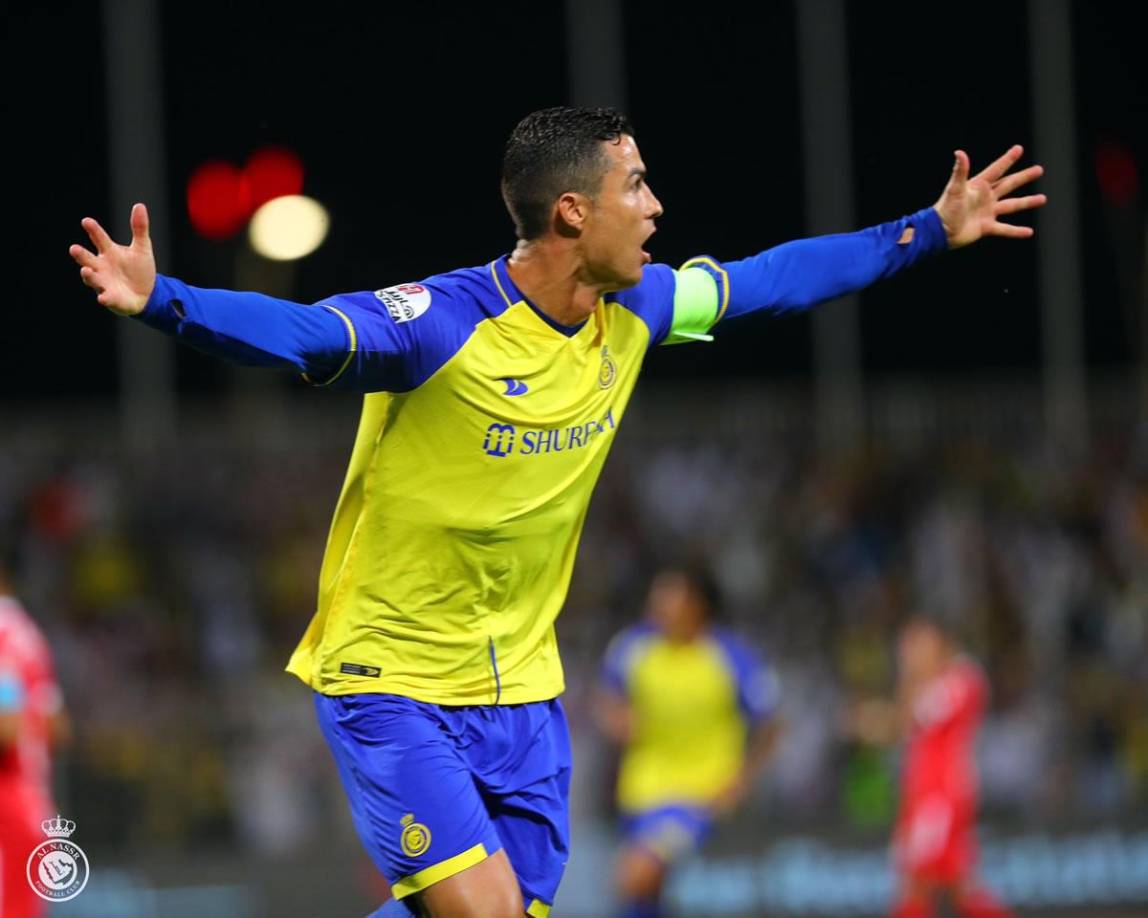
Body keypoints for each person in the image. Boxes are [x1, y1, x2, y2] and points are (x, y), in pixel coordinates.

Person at [68, 106, 1046, 916]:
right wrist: (168, 301)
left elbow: (773, 281)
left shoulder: (637, 313)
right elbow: (301, 334)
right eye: (636, 187)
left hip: (521, 693)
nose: (657, 207)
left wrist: (923, 229)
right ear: (573, 212)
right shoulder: (440, 324)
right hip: (390, 677)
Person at [596, 567, 781, 917]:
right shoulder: (633, 647)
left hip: (697, 795)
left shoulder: (729, 656)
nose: (658, 603)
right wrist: (617, 718)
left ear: (697, 605)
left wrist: (743, 778)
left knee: (636, 874)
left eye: (670, 596)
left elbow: (771, 723)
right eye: (657, 595)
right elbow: (608, 697)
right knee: (641, 902)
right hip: (640, 791)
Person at [852, 616, 1011, 918]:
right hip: (925, 793)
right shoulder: (941, 682)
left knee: (916, 881)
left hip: (940, 796)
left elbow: (906, 719)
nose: (912, 655)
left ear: (940, 644)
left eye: (918, 645)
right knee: (957, 884)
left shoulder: (960, 679)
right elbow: (901, 726)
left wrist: (908, 678)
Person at [0, 558, 69, 918]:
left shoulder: (2, 635)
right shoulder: (30, 636)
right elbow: (57, 725)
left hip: (6, 808)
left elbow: (6, 726)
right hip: (33, 805)